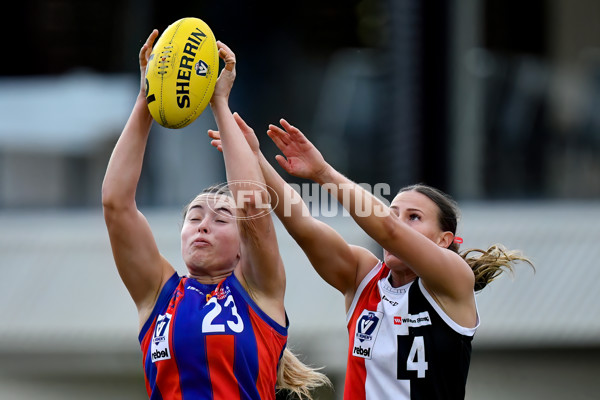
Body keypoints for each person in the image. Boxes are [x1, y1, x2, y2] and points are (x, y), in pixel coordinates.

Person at [208, 115, 533, 399]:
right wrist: (255, 158)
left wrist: (323, 173)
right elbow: (303, 224)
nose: (398, 224)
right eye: (395, 212)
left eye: (414, 217)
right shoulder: (363, 275)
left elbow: (388, 230)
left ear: (443, 240)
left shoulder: (452, 280)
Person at [102, 30, 329, 400]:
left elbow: (252, 204)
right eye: (194, 217)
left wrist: (219, 103)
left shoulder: (259, 291)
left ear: (243, 249)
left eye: (221, 219)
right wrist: (147, 97)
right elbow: (115, 203)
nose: (203, 225)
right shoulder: (159, 294)